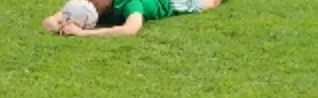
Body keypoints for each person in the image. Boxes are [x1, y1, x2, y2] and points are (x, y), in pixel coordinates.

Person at [45, 0, 223, 37]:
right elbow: (48, 21)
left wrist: (82, 34)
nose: (92, 2)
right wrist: (58, 26)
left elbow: (131, 29)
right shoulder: (85, 6)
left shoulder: (129, 3)